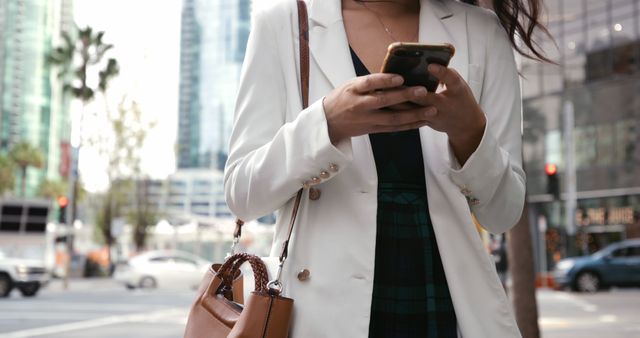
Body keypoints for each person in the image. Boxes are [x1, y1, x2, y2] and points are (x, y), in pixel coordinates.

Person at [224, 0, 549, 337]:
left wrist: (470, 132)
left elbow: (503, 213)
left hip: (442, 300)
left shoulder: (480, 30)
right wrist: (326, 123)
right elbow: (242, 193)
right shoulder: (284, 24)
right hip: (322, 310)